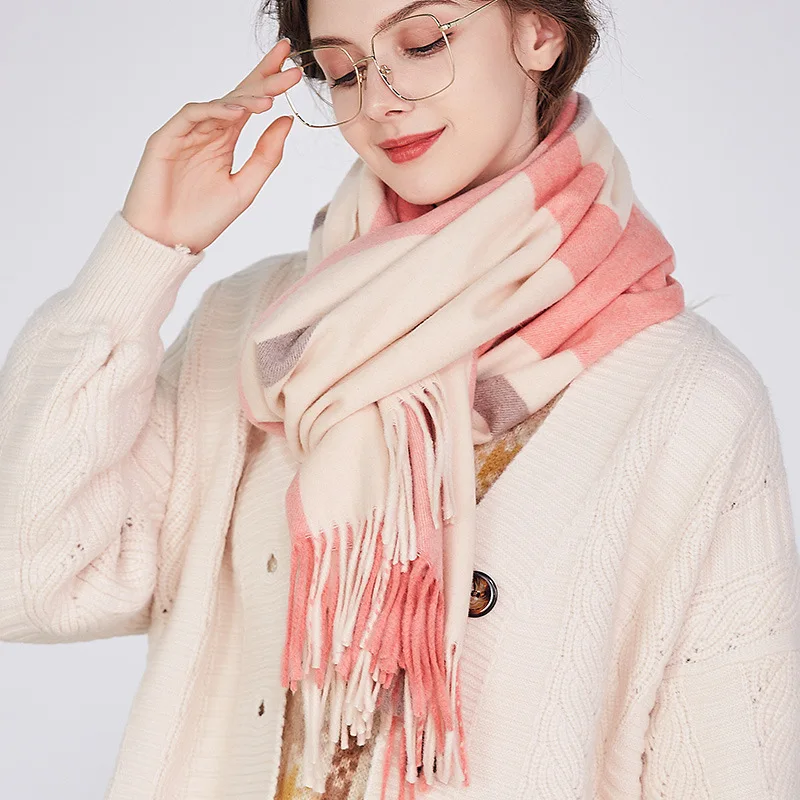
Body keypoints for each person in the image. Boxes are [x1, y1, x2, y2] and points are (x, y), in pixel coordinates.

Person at [1, 1, 798, 799]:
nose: (380, 99)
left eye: (422, 43)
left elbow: (732, 770)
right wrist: (143, 253)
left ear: (539, 30)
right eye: (343, 70)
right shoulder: (253, 333)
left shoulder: (687, 400)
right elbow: (25, 583)